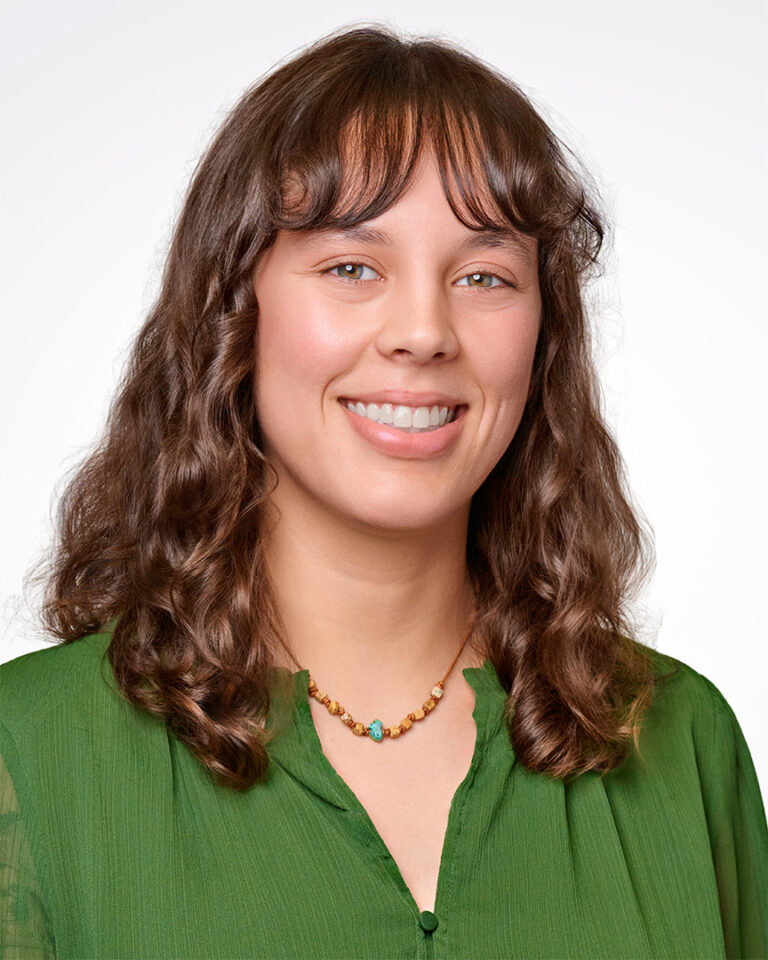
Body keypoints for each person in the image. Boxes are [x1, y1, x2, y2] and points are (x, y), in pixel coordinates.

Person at [1, 22, 765, 960]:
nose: (422, 331)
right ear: (233, 312)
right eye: (352, 267)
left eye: (484, 275)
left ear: (544, 338)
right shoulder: (26, 754)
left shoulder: (684, 744)